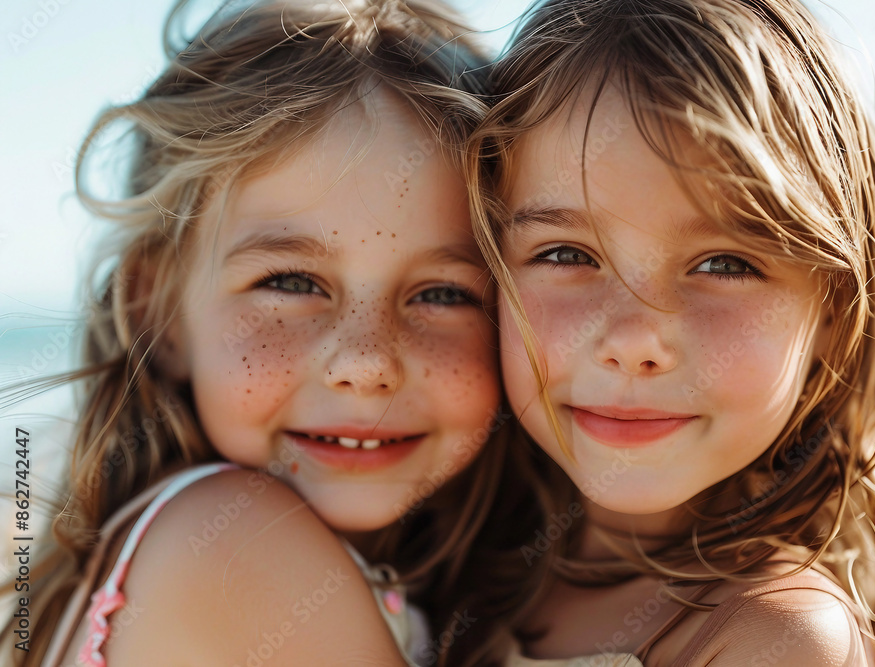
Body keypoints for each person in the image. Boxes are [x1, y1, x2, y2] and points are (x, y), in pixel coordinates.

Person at [1, 1, 547, 665]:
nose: (367, 362)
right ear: (157, 312)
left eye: (441, 294)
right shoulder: (235, 548)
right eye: (291, 283)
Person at [467, 0, 875, 665]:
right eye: (566, 254)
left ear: (833, 313)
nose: (636, 338)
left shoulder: (774, 636)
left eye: (725, 264)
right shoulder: (462, 566)